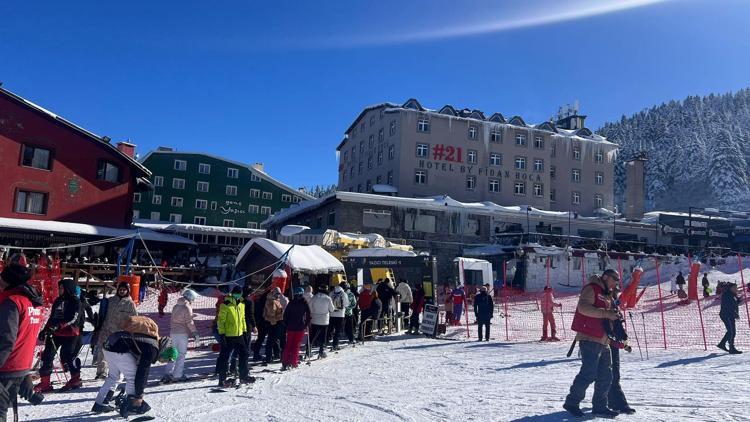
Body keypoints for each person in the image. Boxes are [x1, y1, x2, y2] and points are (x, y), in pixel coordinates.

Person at [91, 316, 177, 417]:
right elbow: (142, 373)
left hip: (110, 344)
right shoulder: (153, 349)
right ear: (165, 352)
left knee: (115, 377)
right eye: (166, 360)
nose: (162, 362)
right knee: (133, 376)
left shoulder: (152, 342)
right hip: (118, 348)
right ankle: (133, 405)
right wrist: (139, 395)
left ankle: (100, 403)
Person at [563, 270, 621, 418]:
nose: (615, 283)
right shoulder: (592, 288)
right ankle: (572, 402)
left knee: (606, 375)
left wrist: (615, 315)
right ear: (606, 277)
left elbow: (606, 313)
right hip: (589, 337)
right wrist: (606, 313)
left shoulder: (607, 294)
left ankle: (600, 407)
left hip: (603, 339)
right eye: (614, 280)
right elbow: (583, 308)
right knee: (589, 373)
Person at [0, 263, 44, 422]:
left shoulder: (12, 302)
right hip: (21, 364)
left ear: (8, 281)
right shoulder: (32, 301)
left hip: (7, 366)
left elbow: (6, 339)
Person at [35, 278, 84, 393]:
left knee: (68, 356)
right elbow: (52, 318)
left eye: (62, 288)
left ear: (67, 289)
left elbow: (74, 319)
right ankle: (45, 383)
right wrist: (45, 330)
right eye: (59, 288)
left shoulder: (75, 301)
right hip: (56, 333)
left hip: (71, 333)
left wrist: (59, 325)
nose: (60, 290)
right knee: (47, 355)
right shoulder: (58, 301)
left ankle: (75, 379)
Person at [95, 282, 137, 379]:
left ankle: (117, 372)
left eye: (124, 290)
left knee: (117, 353)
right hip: (106, 329)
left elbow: (135, 319)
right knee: (102, 351)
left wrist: (131, 331)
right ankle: (101, 372)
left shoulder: (130, 303)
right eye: (120, 289)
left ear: (127, 291)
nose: (122, 291)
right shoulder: (111, 300)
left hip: (119, 332)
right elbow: (102, 312)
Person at [607, 288, 636, 415]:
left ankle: (607, 400)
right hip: (608, 343)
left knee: (609, 374)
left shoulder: (614, 304)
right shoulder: (608, 304)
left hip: (614, 343)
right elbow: (612, 326)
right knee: (612, 375)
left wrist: (624, 343)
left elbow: (618, 327)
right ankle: (620, 403)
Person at [216, 286, 252, 387]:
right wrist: (222, 334)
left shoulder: (241, 304)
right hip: (228, 335)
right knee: (225, 356)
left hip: (239, 334)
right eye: (237, 293)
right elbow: (221, 320)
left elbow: (243, 319)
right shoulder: (226, 305)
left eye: (239, 294)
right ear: (233, 293)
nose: (238, 295)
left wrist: (245, 331)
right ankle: (222, 379)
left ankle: (243, 376)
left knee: (244, 354)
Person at [162, 289, 200, 383]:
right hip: (182, 333)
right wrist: (195, 333)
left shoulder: (176, 306)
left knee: (172, 353)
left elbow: (177, 318)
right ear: (190, 297)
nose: (193, 301)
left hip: (173, 333)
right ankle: (177, 375)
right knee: (181, 354)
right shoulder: (187, 306)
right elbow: (189, 322)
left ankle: (168, 373)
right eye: (193, 299)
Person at [281, 287, 311, 370]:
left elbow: (285, 315)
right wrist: (306, 324)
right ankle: (293, 362)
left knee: (288, 345)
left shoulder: (291, 303)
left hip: (290, 327)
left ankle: (285, 362)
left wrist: (286, 324)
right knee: (296, 345)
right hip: (300, 327)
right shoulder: (304, 303)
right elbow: (309, 315)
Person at [309, 285, 335, 358]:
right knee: (323, 337)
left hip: (315, 319)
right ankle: (321, 351)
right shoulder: (328, 298)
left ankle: (308, 350)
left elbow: (310, 308)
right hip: (324, 320)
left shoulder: (314, 297)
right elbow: (332, 309)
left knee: (313, 336)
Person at [718, 283, 742, 354]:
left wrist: (738, 301)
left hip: (730, 315)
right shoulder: (727, 295)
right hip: (726, 315)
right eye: (734, 288)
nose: (736, 289)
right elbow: (728, 306)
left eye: (736, 288)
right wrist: (735, 313)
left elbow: (733, 303)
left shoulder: (732, 295)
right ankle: (731, 348)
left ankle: (722, 344)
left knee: (732, 331)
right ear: (730, 288)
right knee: (731, 331)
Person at [263, 288, 285, 364]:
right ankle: (268, 357)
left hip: (275, 323)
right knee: (271, 341)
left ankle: (276, 354)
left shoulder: (275, 299)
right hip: (273, 323)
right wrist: (280, 316)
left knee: (274, 341)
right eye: (277, 294)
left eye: (279, 294)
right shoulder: (271, 301)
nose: (278, 295)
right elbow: (272, 314)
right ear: (274, 294)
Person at [328, 283, 349, 350]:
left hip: (332, 314)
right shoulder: (343, 294)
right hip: (340, 315)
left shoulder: (331, 293)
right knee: (337, 330)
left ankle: (326, 341)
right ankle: (335, 344)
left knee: (330, 329)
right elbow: (346, 304)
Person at [251, 289, 270, 362]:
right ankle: (256, 355)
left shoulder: (256, 302)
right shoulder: (262, 302)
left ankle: (256, 354)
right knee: (261, 339)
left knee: (260, 339)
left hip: (259, 322)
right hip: (263, 322)